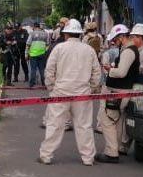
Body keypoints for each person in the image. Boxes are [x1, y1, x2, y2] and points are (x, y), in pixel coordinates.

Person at [38, 19, 102, 166]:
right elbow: (96, 74)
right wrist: (92, 88)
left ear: (66, 34)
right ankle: (88, 158)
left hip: (61, 92)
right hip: (82, 94)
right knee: (84, 126)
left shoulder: (59, 49)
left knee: (55, 125)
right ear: (79, 34)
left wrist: (51, 88)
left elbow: (49, 71)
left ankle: (46, 155)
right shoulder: (89, 50)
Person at [96, 24, 140, 163]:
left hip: (118, 91)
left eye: (115, 39)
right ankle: (118, 148)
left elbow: (121, 73)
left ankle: (111, 152)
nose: (114, 42)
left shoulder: (128, 51)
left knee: (107, 120)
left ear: (122, 37)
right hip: (121, 91)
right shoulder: (128, 50)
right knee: (117, 121)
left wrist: (110, 70)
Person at [26, 22, 49, 88]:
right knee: (42, 69)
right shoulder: (45, 34)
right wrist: (45, 52)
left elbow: (28, 44)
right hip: (42, 54)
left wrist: (26, 54)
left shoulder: (32, 34)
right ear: (39, 27)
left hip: (33, 54)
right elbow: (47, 44)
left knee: (33, 69)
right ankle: (44, 83)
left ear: (34, 27)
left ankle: (31, 84)